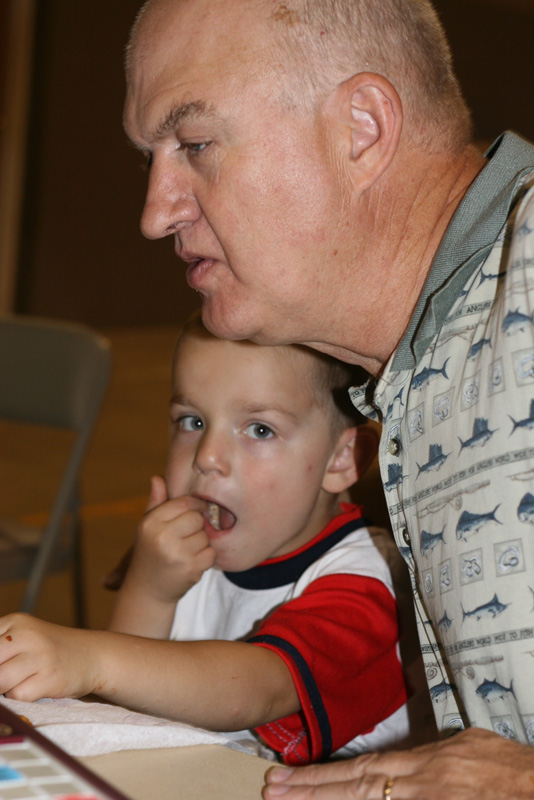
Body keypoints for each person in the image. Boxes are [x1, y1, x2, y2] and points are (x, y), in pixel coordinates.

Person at [121, 0, 534, 796]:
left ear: (363, 129)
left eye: (196, 144)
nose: (155, 212)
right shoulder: (409, 377)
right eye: (151, 159)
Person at [0, 314, 425, 765]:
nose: (207, 458)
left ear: (343, 459)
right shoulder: (182, 548)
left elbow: (256, 691)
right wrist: (149, 588)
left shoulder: (366, 589)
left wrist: (90, 659)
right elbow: (118, 705)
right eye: (192, 421)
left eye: (259, 429)